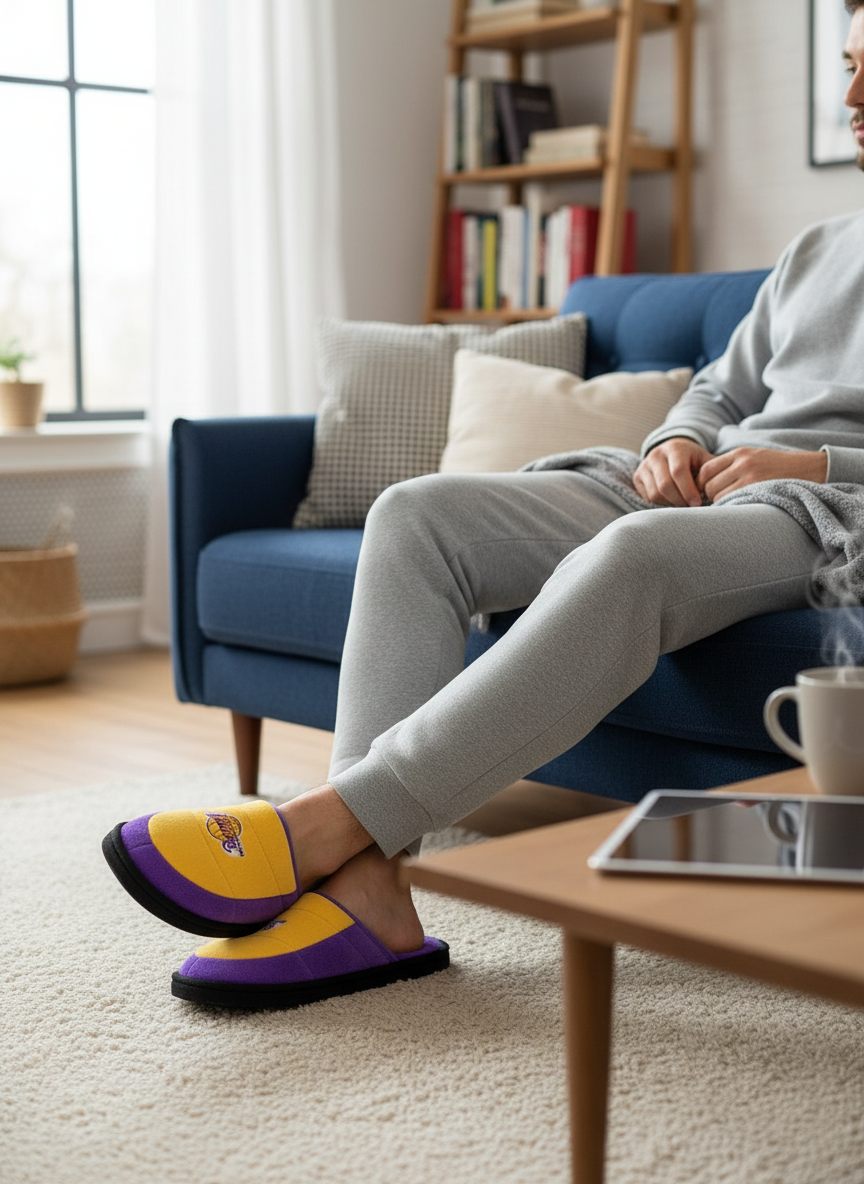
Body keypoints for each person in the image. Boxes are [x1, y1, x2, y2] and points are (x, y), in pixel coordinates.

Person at [104, 2, 864, 1009]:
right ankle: (371, 890)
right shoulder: (820, 248)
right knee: (417, 515)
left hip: (823, 512)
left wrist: (807, 462)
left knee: (633, 556)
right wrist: (678, 437)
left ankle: (324, 828)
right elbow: (716, 389)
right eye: (849, 66)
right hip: (699, 479)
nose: (852, 97)